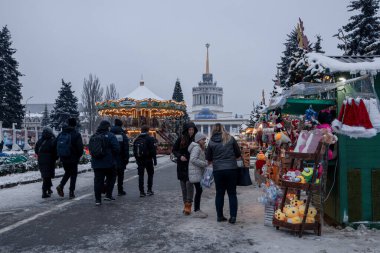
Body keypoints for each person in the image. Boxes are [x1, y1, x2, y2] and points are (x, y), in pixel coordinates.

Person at [206, 123, 241, 224]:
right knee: (232, 194)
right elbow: (238, 153)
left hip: (218, 170)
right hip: (231, 169)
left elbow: (208, 157)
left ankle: (219, 216)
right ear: (223, 129)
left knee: (219, 194)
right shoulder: (230, 138)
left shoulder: (211, 142)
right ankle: (233, 216)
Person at [91, 120, 120, 205]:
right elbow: (116, 148)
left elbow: (91, 149)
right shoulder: (111, 136)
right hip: (109, 162)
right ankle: (108, 195)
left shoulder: (94, 136)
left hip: (96, 163)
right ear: (108, 127)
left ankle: (98, 199)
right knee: (111, 179)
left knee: (98, 181)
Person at [172, 122, 197, 215]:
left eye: (192, 130)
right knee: (183, 187)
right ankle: (185, 205)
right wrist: (180, 156)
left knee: (189, 185)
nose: (191, 131)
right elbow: (174, 150)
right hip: (181, 166)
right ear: (186, 130)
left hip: (191, 165)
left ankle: (188, 205)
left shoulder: (196, 139)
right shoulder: (181, 139)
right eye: (189, 130)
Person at [56, 118, 84, 199]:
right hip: (73, 158)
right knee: (73, 174)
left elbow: (56, 143)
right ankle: (71, 192)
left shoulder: (62, 133)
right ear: (75, 125)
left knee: (68, 172)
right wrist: (78, 156)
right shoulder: (76, 134)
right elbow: (80, 148)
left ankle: (61, 186)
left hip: (64, 157)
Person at [133, 125, 157, 197]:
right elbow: (153, 150)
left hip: (140, 159)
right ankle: (149, 190)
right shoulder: (150, 138)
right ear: (148, 130)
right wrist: (154, 160)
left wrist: (137, 159)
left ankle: (141, 192)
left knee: (141, 175)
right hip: (148, 159)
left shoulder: (137, 139)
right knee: (150, 174)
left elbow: (134, 151)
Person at [188, 132, 208, 218]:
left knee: (199, 191)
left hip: (197, 172)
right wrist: (204, 163)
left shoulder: (198, 147)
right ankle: (197, 210)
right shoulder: (196, 148)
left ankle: (197, 209)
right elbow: (193, 159)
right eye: (203, 139)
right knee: (199, 191)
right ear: (198, 140)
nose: (204, 141)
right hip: (196, 173)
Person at [34, 127, 57, 198]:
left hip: (41, 160)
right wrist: (56, 158)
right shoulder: (52, 141)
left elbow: (36, 150)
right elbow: (55, 151)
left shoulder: (40, 141)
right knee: (47, 176)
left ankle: (49, 189)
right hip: (50, 160)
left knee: (46, 175)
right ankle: (44, 192)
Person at [110, 119, 130, 196]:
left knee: (110, 175)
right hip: (120, 158)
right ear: (121, 125)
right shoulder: (122, 135)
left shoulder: (110, 133)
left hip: (111, 158)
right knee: (120, 175)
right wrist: (126, 158)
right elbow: (126, 148)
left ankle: (108, 191)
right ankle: (120, 190)